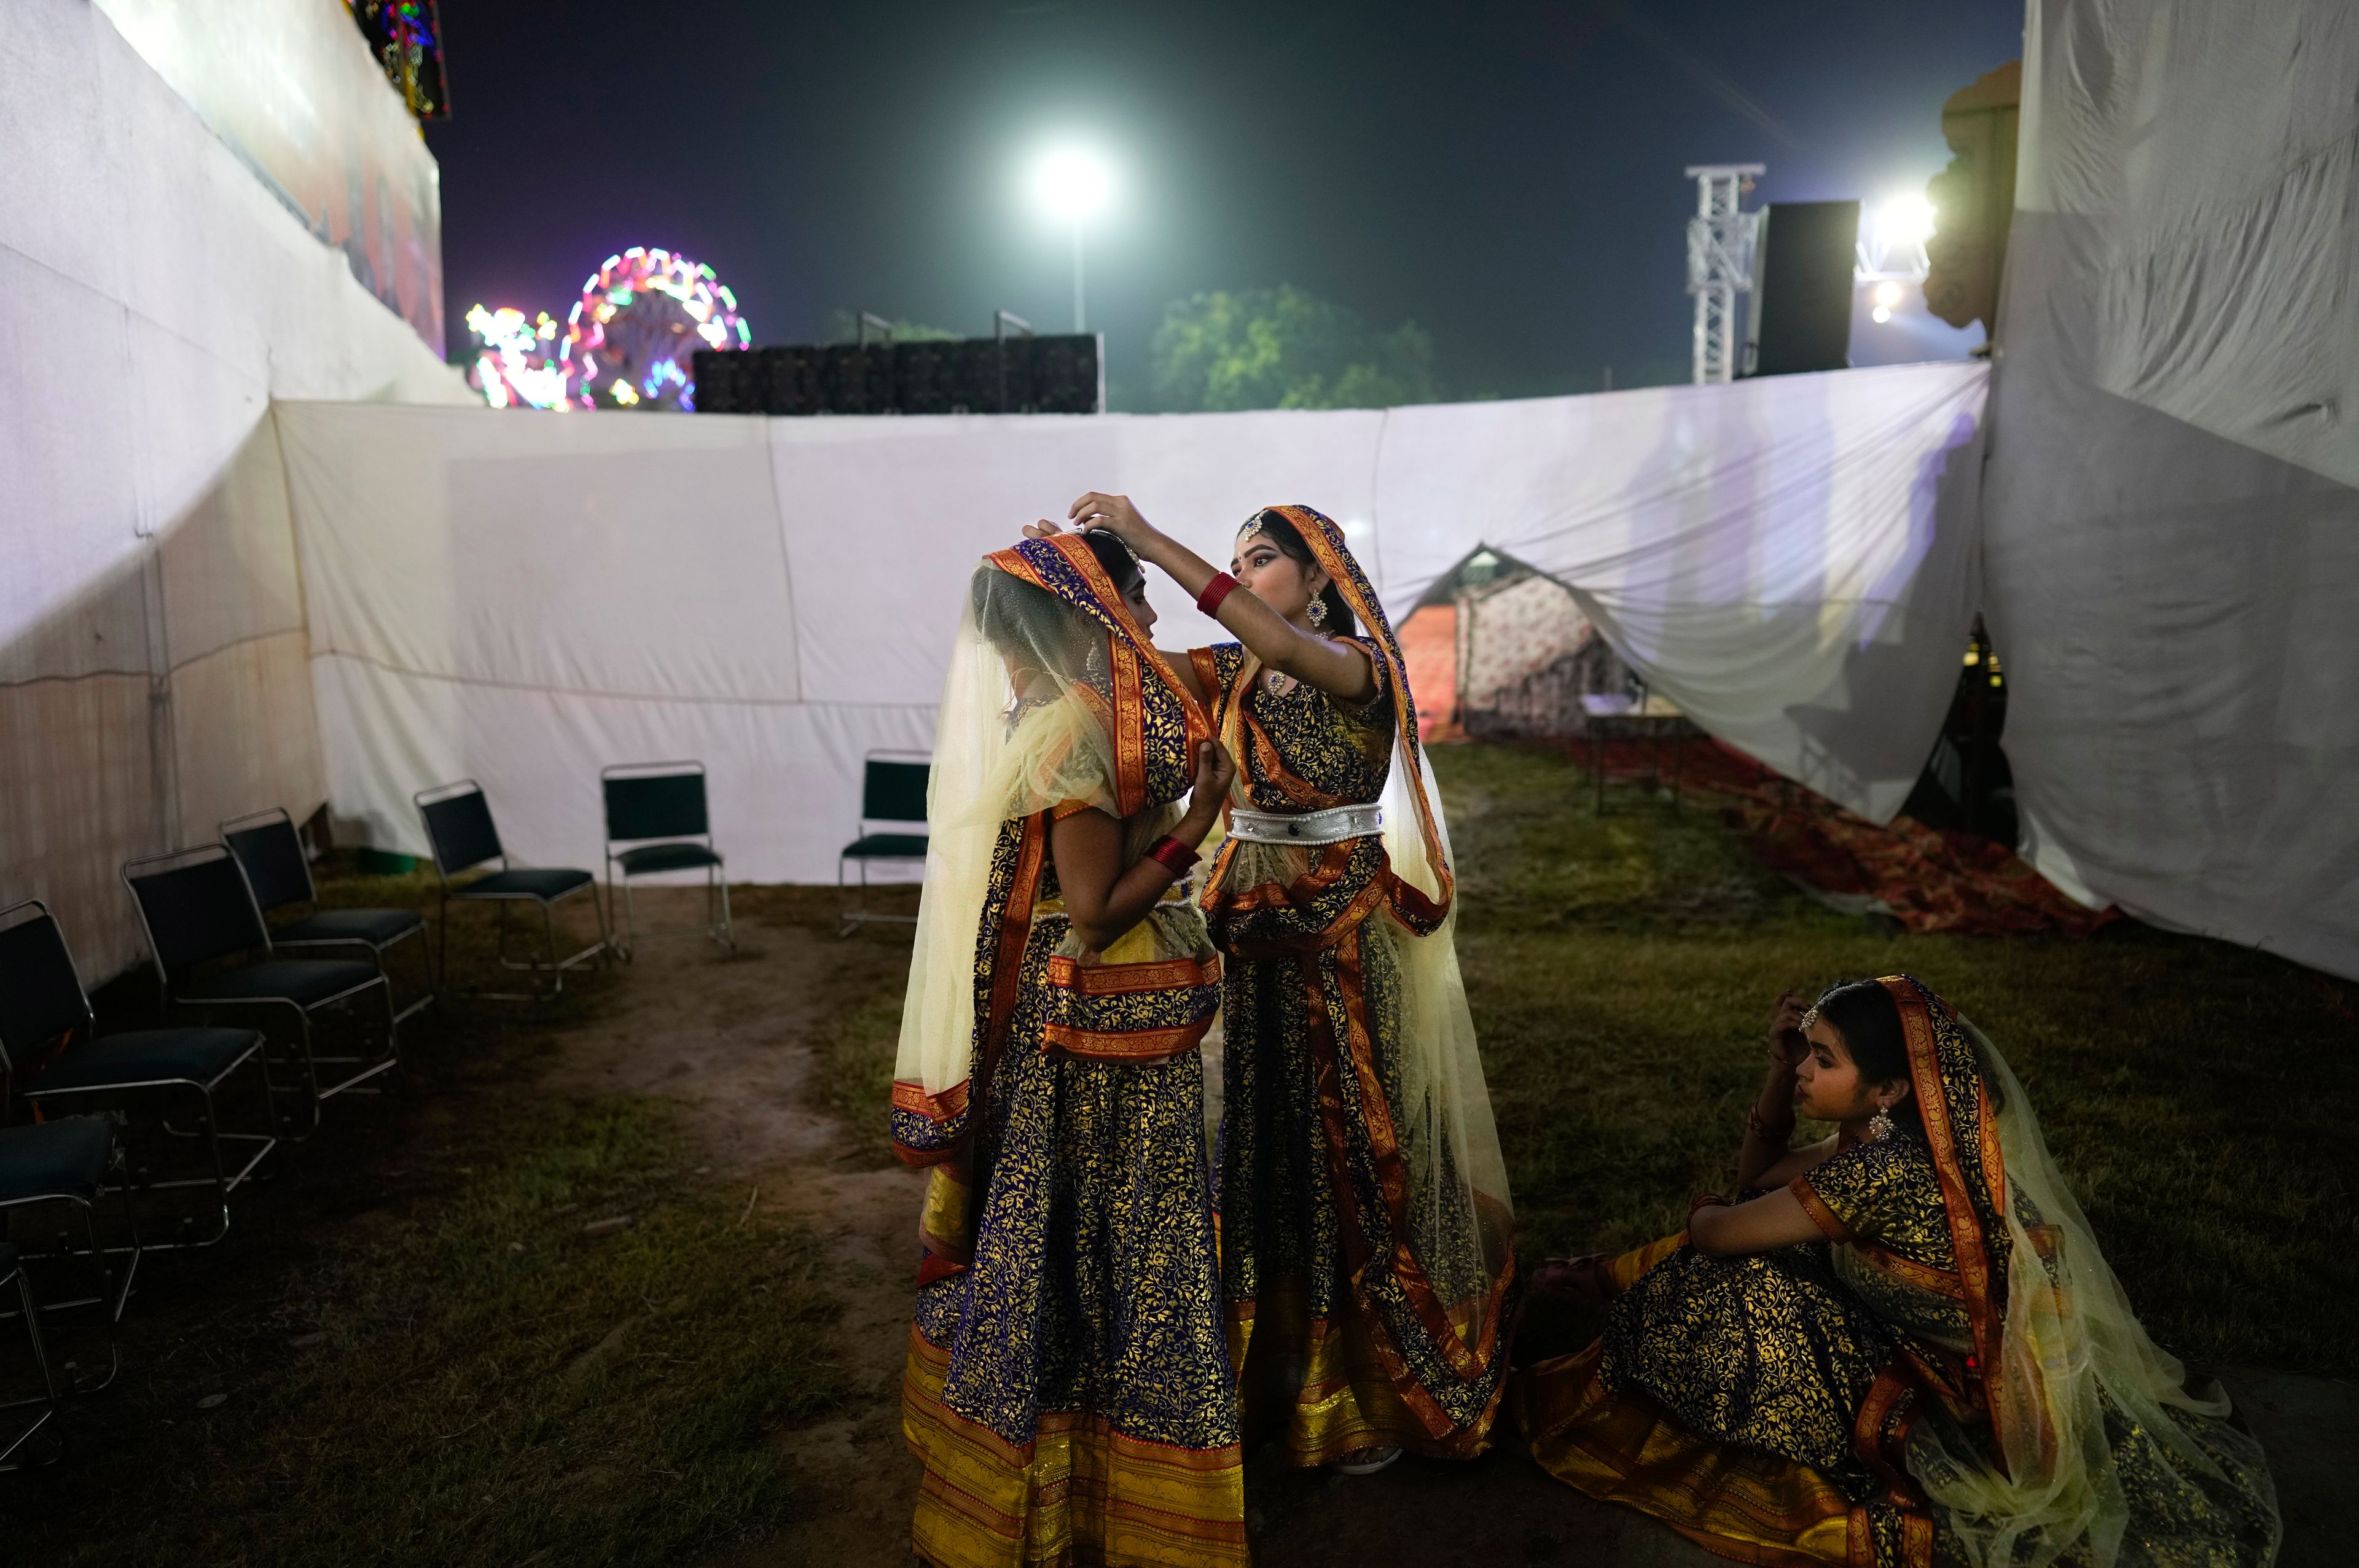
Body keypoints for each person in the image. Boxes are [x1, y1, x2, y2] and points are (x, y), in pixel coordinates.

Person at [1031, 494, 1516, 1475]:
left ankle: (1375, 1385)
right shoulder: (1238, 669)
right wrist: (1077, 583)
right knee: (1270, 1138)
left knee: (1356, 1141)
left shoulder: (1353, 668)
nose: (1242, 573)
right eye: (1238, 559)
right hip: (1253, 921)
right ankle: (1284, 1373)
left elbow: (1283, 650)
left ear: (1320, 580)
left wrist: (1151, 538)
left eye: (1260, 559)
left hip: (1341, 931)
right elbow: (1135, 670)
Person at [1517, 975, 2281, 1568]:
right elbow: (1767, 1172)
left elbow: (1726, 1227)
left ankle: (1600, 1315)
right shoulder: (1890, 1141)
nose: (1809, 1070)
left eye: (1824, 1059)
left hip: (1965, 1399)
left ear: (1887, 1091)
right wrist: (1779, 1074)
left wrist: (1705, 1219)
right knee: (1762, 1253)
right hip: (1929, 1347)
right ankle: (1599, 1293)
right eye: (1807, 1052)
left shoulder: (1886, 1170)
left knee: (1723, 1283)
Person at [893, 528, 1248, 1568]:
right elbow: (1092, 912)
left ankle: (1071, 1488)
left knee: (1084, 1250)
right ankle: (1119, 1498)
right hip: (1096, 1045)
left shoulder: (1076, 722)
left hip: (1103, 1035)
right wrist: (1205, 819)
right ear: (1098, 616)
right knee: (1120, 1254)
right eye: (1136, 604)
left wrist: (1180, 820)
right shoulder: (1075, 730)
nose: (1147, 624)